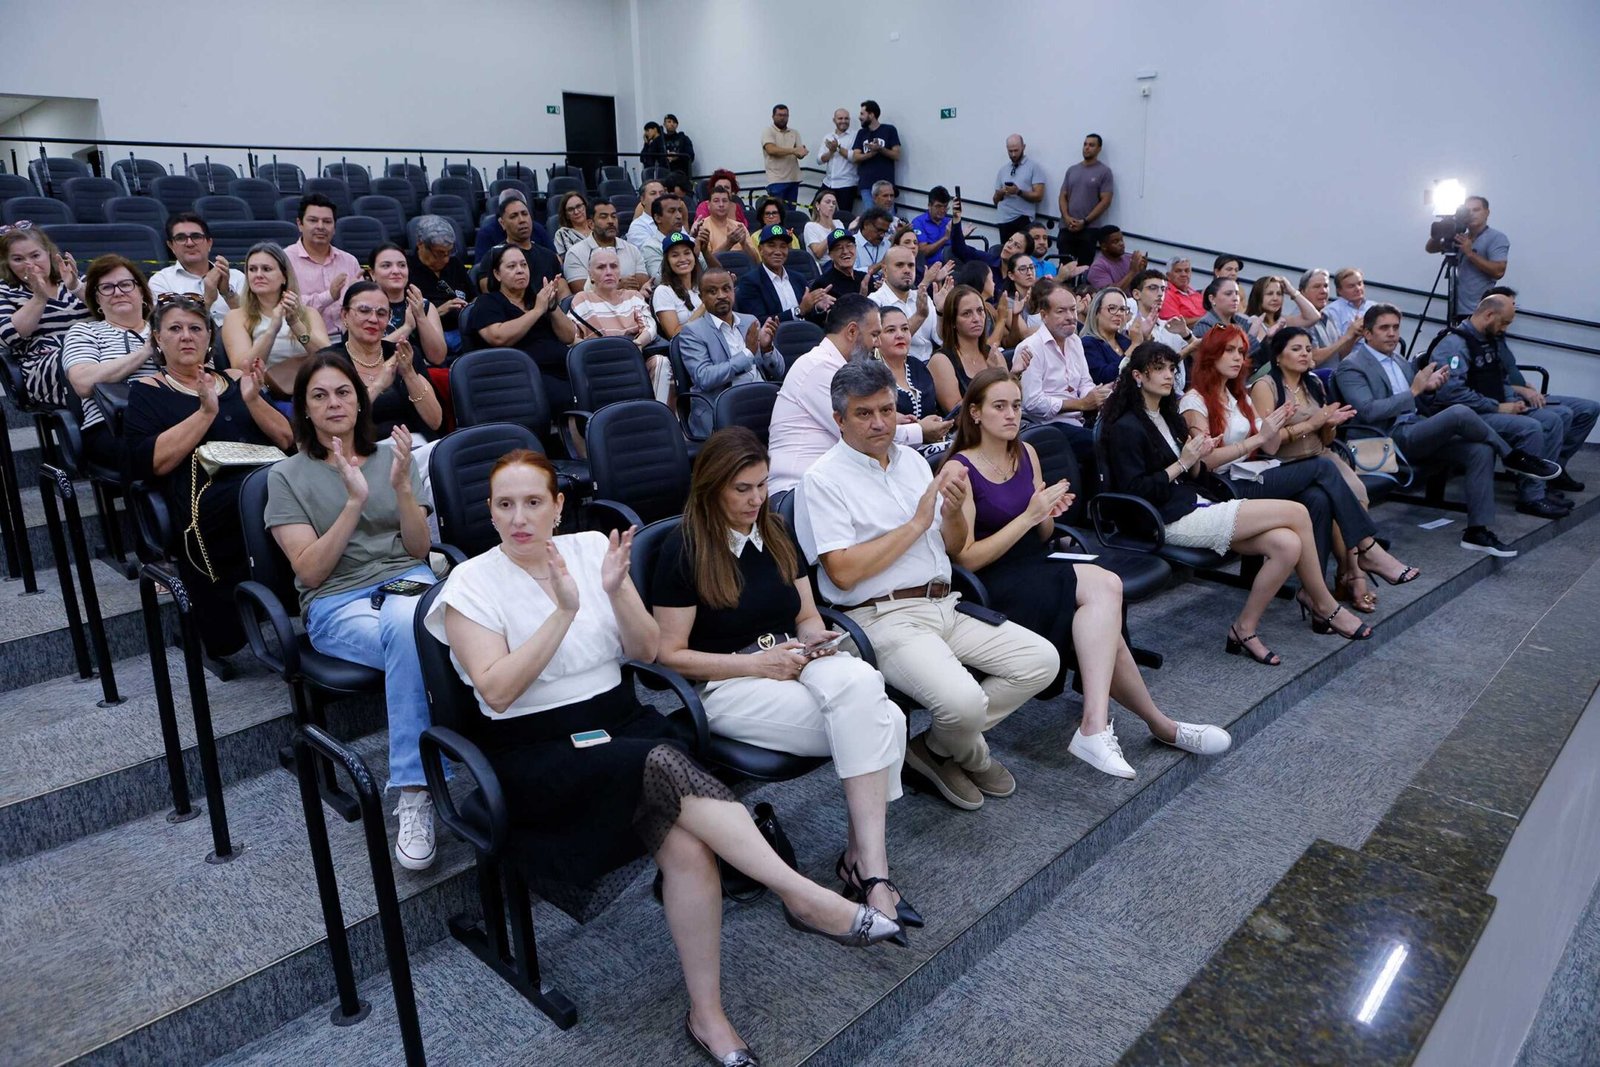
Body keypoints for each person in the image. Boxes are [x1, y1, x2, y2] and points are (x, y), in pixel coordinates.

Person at [427, 451, 899, 1067]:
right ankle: (802, 895)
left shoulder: (593, 548)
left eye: (534, 502)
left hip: (618, 723)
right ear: (488, 511)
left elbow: (647, 648)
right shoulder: (470, 585)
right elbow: (496, 690)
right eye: (504, 505)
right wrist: (565, 611)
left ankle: (708, 1017)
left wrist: (616, 590)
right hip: (536, 750)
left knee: (688, 844)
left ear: (558, 506)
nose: (520, 518)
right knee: (660, 762)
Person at [653, 427, 918, 923]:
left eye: (763, 485)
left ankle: (867, 866)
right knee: (888, 722)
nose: (757, 499)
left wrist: (816, 639)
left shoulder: (776, 529)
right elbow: (670, 655)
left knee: (864, 689)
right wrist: (755, 664)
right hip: (728, 683)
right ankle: (867, 871)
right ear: (712, 486)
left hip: (792, 660)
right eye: (743, 489)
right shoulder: (683, 548)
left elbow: (806, 615)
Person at [795, 360, 1056, 809]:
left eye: (886, 410)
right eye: (864, 413)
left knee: (1041, 661)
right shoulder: (821, 479)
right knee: (966, 704)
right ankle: (972, 754)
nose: (880, 423)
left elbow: (953, 546)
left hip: (944, 601)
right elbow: (842, 571)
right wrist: (917, 524)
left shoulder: (913, 462)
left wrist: (952, 515)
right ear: (839, 419)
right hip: (882, 616)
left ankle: (932, 748)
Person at [946, 368, 1230, 775]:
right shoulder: (960, 468)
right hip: (992, 583)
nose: (1011, 415)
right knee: (1105, 590)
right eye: (999, 406)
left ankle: (1141, 725)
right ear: (974, 413)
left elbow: (1042, 534)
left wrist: (1047, 513)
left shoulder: (1024, 453)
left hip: (1037, 564)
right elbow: (967, 558)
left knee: (1103, 611)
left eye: (1016, 406)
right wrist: (1029, 517)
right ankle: (1122, 726)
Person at [265, 352, 440, 870]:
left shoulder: (393, 456)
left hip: (409, 581)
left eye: (342, 392)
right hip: (339, 603)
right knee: (419, 633)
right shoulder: (286, 477)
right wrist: (352, 502)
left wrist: (404, 489)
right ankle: (415, 791)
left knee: (418, 624)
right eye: (319, 396)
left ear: (359, 399)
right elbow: (311, 572)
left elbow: (416, 548)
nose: (333, 403)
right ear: (305, 410)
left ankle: (431, 775)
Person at [1103, 342, 1377, 666]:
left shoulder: (1167, 413)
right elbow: (1138, 489)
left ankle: (1244, 629)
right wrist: (1183, 463)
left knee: (1287, 544)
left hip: (1192, 502)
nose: (1168, 376)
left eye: (1172, 369)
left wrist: (1196, 458)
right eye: (1159, 369)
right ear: (1137, 375)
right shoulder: (1124, 427)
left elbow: (1192, 473)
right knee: (1298, 511)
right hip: (1166, 518)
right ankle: (1325, 605)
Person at [1183, 325, 1418, 586]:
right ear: (1210, 355)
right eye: (1229, 351)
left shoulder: (1239, 396)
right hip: (1222, 486)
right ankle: (1367, 549)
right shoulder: (1195, 400)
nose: (1238, 357)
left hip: (1253, 472)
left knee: (1318, 498)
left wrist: (1322, 424)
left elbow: (1269, 447)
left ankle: (1314, 593)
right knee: (1322, 468)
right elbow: (1203, 463)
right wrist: (1281, 432)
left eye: (1241, 351)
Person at [125, 295, 291, 658]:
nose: (187, 336)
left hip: (268, 478)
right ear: (157, 338)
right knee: (263, 493)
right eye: (175, 329)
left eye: (196, 328)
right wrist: (204, 413)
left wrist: (253, 400)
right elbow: (152, 463)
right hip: (202, 494)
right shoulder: (147, 392)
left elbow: (286, 438)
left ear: (209, 338)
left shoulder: (235, 378)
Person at [1333, 303, 1559, 558]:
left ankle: (1476, 531)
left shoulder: (1397, 359)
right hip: (1381, 440)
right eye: (1384, 328)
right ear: (1367, 333)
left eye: (1396, 327)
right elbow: (1369, 411)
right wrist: (1415, 390)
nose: (1392, 334)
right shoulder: (1352, 366)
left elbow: (1416, 403)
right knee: (1459, 411)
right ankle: (1512, 457)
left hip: (1413, 430)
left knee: (1479, 449)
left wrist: (1429, 388)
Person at [1251, 327, 1410, 614]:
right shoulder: (1266, 386)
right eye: (1296, 349)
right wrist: (1311, 425)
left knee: (1355, 492)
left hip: (1320, 455)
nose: (1305, 354)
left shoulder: (1312, 383)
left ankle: (1341, 578)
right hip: (1286, 463)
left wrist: (1329, 424)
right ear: (1278, 355)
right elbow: (1269, 444)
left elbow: (1324, 440)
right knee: (1332, 493)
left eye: (1308, 349)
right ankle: (1359, 568)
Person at [1432, 295, 1588, 518]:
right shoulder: (1454, 344)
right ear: (1488, 315)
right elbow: (1452, 393)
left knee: (1554, 419)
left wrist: (1513, 402)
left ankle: (1540, 486)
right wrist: (1498, 407)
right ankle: (1531, 498)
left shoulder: (1489, 339)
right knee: (1531, 428)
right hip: (1468, 415)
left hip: (1493, 407)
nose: (1505, 328)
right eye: (1503, 322)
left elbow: (1500, 378)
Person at [768, 296, 942, 493]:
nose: (877, 344)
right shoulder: (817, 368)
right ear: (852, 331)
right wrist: (920, 430)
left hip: (837, 481)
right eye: (875, 334)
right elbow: (861, 435)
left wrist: (893, 418)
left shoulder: (834, 366)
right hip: (797, 488)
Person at [1478, 286, 1597, 497]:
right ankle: (1537, 478)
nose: (1513, 311)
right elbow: (1484, 385)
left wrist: (1525, 387)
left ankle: (1555, 467)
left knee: (1589, 409)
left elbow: (1502, 376)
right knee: (1560, 415)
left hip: (1522, 394)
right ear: (1491, 310)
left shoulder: (1498, 337)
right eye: (1510, 306)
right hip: (1510, 399)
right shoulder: (1478, 340)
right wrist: (1520, 390)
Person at [60, 256, 163, 468]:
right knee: (164, 449)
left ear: (142, 291)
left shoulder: (168, 328)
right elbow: (83, 383)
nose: (118, 292)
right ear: (97, 299)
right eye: (107, 287)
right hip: (113, 427)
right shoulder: (84, 331)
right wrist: (146, 351)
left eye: (126, 284)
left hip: (173, 415)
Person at [323, 281, 443, 441]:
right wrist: (378, 385)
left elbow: (435, 422)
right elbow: (333, 427)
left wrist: (409, 374)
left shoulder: (404, 353)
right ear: (345, 315)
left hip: (417, 446)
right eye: (364, 311)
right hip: (360, 452)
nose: (373, 319)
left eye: (381, 313)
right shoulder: (327, 362)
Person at [676, 269, 783, 437]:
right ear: (701, 298)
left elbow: (778, 372)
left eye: (726, 289)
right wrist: (747, 353)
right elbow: (704, 378)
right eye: (712, 291)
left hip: (760, 401)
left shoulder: (749, 321)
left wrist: (767, 349)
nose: (721, 295)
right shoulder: (692, 332)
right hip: (724, 410)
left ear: (733, 291)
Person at [471, 242, 576, 411]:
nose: (520, 270)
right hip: (523, 377)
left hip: (563, 368)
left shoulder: (536, 299)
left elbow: (569, 336)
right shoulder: (488, 302)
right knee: (573, 397)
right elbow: (497, 337)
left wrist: (552, 307)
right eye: (511, 266)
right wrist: (537, 311)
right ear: (497, 274)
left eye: (523, 264)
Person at [1016, 283, 1108, 473]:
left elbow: (1084, 381)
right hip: (1046, 427)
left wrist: (1097, 396)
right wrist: (1081, 404)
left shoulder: (1075, 341)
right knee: (1105, 444)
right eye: (1061, 311)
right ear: (1044, 316)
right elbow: (1032, 402)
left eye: (1073, 310)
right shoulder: (1030, 348)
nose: (1070, 317)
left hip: (1079, 421)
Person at [0, 224, 89, 409]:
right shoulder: (5, 291)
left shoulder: (76, 279)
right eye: (18, 259)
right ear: (7, 263)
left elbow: (113, 312)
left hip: (94, 350)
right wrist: (39, 298)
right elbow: (6, 336)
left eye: (35, 255)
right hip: (44, 364)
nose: (30, 264)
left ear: (49, 253)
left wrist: (76, 287)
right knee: (75, 362)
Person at [568, 247, 670, 403]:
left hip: (633, 359)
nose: (608, 272)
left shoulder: (633, 296)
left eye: (613, 266)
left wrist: (636, 344)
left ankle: (658, 415)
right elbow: (571, 338)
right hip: (599, 364)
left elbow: (650, 327)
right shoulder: (581, 300)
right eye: (601, 267)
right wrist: (603, 350)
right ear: (590, 274)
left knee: (661, 362)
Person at [222, 243, 331, 374]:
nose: (258, 275)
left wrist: (295, 324)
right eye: (252, 269)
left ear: (284, 277)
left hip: (309, 387)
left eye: (266, 269)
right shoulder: (236, 317)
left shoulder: (309, 313)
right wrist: (272, 330)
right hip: (263, 390)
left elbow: (328, 358)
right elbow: (242, 368)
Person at [873, 305, 949, 457]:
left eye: (905, 329)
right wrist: (920, 429)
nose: (900, 335)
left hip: (930, 448)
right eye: (890, 330)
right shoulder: (869, 374)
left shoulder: (917, 366)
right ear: (876, 337)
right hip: (890, 453)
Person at [286, 193, 361, 341]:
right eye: (313, 220)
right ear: (300, 224)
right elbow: (288, 306)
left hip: (348, 341)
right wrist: (329, 296)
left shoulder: (349, 261)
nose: (320, 227)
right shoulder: (284, 260)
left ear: (334, 227)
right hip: (304, 342)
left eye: (327, 221)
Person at [148, 212, 245, 326]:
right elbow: (168, 328)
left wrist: (227, 293)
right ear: (171, 246)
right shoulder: (161, 281)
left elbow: (254, 323)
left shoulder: (237, 277)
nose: (189, 243)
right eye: (181, 238)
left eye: (196, 237)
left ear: (209, 243)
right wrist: (207, 299)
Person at [1425, 195, 1508, 318]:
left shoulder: (1496, 238)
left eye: (1476, 210)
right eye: (1468, 211)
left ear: (1487, 212)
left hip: (1481, 311)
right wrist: (1444, 226)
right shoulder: (1460, 236)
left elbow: (1498, 272)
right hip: (1456, 308)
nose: (1472, 214)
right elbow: (1430, 248)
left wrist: (1470, 253)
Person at [929, 285, 1008, 413]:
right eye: (967, 314)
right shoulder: (941, 361)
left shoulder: (993, 354)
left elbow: (1009, 400)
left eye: (980, 311)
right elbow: (958, 415)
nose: (976, 319)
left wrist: (1014, 374)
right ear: (953, 321)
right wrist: (992, 378)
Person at [368, 243, 448, 368]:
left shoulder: (424, 305)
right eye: (386, 266)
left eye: (402, 265)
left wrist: (420, 317)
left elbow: (438, 358)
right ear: (372, 273)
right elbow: (368, 355)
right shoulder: (365, 309)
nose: (396, 271)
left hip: (421, 377)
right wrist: (407, 328)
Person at [736, 224, 830, 325]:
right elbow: (758, 322)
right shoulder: (750, 282)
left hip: (804, 336)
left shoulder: (798, 278)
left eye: (783, 246)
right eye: (771, 245)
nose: (778, 252)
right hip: (774, 339)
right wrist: (798, 311)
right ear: (760, 250)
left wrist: (817, 307)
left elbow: (809, 315)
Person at [406, 216, 473, 356]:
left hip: (463, 329)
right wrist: (438, 311)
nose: (446, 259)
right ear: (420, 244)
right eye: (439, 254)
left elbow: (474, 297)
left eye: (449, 252)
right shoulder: (406, 270)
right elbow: (407, 320)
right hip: (430, 335)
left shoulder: (455, 265)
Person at [867, 245, 941, 362]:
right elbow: (878, 349)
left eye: (911, 265)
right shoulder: (874, 302)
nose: (907, 270)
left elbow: (939, 339)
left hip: (931, 363)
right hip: (896, 366)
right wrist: (919, 316)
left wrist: (941, 312)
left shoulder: (922, 296)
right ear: (885, 270)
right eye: (899, 265)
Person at [562, 200, 648, 292]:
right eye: (604, 217)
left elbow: (642, 282)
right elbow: (581, 290)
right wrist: (618, 285)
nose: (611, 221)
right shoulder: (575, 253)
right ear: (591, 224)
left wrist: (601, 284)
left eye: (614, 216)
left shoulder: (631, 249)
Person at [1057, 134, 1115, 267]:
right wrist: (1066, 217)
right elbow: (1062, 196)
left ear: (1099, 148)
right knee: (1064, 268)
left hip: (1089, 229)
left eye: (1091, 145)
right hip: (1067, 227)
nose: (1087, 148)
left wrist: (1085, 221)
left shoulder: (1104, 172)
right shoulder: (1072, 170)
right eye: (1085, 144)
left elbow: (1105, 201)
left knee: (1084, 268)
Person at [1296, 267, 1363, 369]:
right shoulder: (1300, 319)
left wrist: (1353, 335)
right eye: (1317, 287)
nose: (1323, 291)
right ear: (1302, 292)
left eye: (1326, 286)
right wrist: (1347, 337)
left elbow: (1340, 355)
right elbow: (1313, 357)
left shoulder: (1328, 315)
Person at [473, 190, 555, 266]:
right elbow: (481, 271)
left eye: (524, 213)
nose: (521, 220)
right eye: (514, 216)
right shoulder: (487, 234)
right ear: (502, 221)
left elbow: (556, 259)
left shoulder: (538, 229)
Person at [992, 135, 1048, 246]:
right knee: (1007, 255)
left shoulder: (1034, 167)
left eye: (1016, 150)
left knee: (1022, 254)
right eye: (1010, 151)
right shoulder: (1003, 170)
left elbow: (1039, 196)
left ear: (1023, 147)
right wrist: (1000, 194)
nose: (1013, 154)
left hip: (1023, 219)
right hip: (1004, 219)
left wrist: (1018, 192)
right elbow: (995, 200)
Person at [1127, 270, 1197, 358]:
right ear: (1136, 294)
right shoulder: (1130, 328)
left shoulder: (1172, 326)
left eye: (1163, 289)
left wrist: (1186, 334)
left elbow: (1204, 359)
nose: (1160, 294)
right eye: (1152, 288)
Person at [1192, 277, 1264, 360]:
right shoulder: (1204, 325)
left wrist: (1269, 338)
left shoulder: (1242, 322)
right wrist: (1251, 335)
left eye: (1237, 293)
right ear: (1212, 299)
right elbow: (1224, 358)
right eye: (1228, 294)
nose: (1235, 298)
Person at [653, 231, 705, 340]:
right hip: (689, 348)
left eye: (687, 253)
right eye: (675, 255)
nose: (682, 259)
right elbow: (674, 335)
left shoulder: (703, 286)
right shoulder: (663, 291)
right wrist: (704, 307)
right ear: (667, 262)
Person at [1079, 286, 1135, 384]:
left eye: (1122, 309)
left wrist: (1146, 338)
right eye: (1112, 308)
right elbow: (1104, 377)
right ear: (1096, 312)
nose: (1119, 314)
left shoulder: (1125, 341)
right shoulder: (1087, 343)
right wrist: (1134, 346)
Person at [807, 229, 865, 323]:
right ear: (830, 255)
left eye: (849, 246)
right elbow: (814, 319)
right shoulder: (822, 284)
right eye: (838, 248)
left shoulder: (865, 278)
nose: (845, 251)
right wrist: (820, 309)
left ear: (855, 248)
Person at [1244, 275, 1321, 346]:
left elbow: (1314, 317)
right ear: (1258, 296)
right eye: (1270, 294)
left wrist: (1292, 291)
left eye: (1279, 294)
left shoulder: (1284, 321)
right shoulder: (1253, 321)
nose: (1275, 298)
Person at [850, 100, 901, 200]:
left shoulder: (889, 130)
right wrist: (871, 154)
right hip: (866, 184)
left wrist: (880, 149)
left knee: (887, 215)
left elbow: (897, 155)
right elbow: (855, 157)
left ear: (871, 115)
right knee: (871, 215)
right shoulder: (861, 133)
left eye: (862, 114)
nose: (859, 117)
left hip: (886, 185)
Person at [639, 193, 694, 282]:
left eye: (680, 211)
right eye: (672, 211)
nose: (679, 216)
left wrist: (705, 252)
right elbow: (659, 280)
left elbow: (712, 273)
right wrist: (695, 254)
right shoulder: (651, 247)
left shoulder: (691, 241)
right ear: (657, 218)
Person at [692, 187, 754, 264]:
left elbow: (756, 261)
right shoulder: (702, 227)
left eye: (725, 201)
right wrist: (729, 243)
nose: (721, 205)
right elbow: (705, 263)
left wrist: (744, 244)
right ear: (708, 205)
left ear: (730, 205)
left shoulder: (739, 227)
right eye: (716, 201)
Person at [761, 104, 807, 205]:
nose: (782, 118)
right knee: (777, 213)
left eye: (785, 115)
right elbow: (771, 150)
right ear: (773, 116)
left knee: (791, 214)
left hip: (793, 179)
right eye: (779, 115)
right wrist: (793, 150)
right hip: (776, 180)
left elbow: (799, 153)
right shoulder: (768, 131)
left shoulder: (794, 132)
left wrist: (802, 153)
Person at [817, 108, 859, 212]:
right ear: (834, 120)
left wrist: (838, 148)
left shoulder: (855, 135)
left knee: (844, 215)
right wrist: (831, 151)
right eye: (840, 118)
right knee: (815, 208)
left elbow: (855, 157)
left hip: (846, 184)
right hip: (828, 183)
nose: (843, 121)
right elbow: (819, 160)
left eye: (846, 118)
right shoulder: (828, 136)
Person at [1083, 226, 1146, 292]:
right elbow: (1110, 293)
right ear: (1104, 246)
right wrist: (1132, 271)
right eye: (1116, 242)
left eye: (1121, 240)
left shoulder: (1129, 259)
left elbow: (1139, 286)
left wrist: (1141, 271)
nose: (1121, 244)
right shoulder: (1098, 267)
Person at [1322, 267, 1373, 337]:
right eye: (1351, 286)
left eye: (1360, 284)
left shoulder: (1374, 307)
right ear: (1339, 291)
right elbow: (1334, 343)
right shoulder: (1332, 312)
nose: (1358, 288)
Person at [1158, 257, 1205, 325]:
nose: (1184, 274)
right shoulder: (1165, 295)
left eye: (1187, 271)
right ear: (1168, 276)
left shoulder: (1195, 293)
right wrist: (1205, 319)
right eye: (1178, 271)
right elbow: (1175, 324)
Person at [804, 190, 844, 265]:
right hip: (826, 265)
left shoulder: (838, 223)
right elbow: (818, 254)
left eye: (834, 203)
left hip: (842, 261)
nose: (831, 205)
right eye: (827, 202)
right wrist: (833, 232)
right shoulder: (810, 226)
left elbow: (844, 246)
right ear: (817, 205)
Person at [852, 207, 895, 274]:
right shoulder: (851, 244)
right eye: (879, 231)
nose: (882, 235)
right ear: (866, 224)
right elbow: (852, 273)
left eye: (885, 232)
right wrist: (881, 263)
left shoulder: (887, 244)